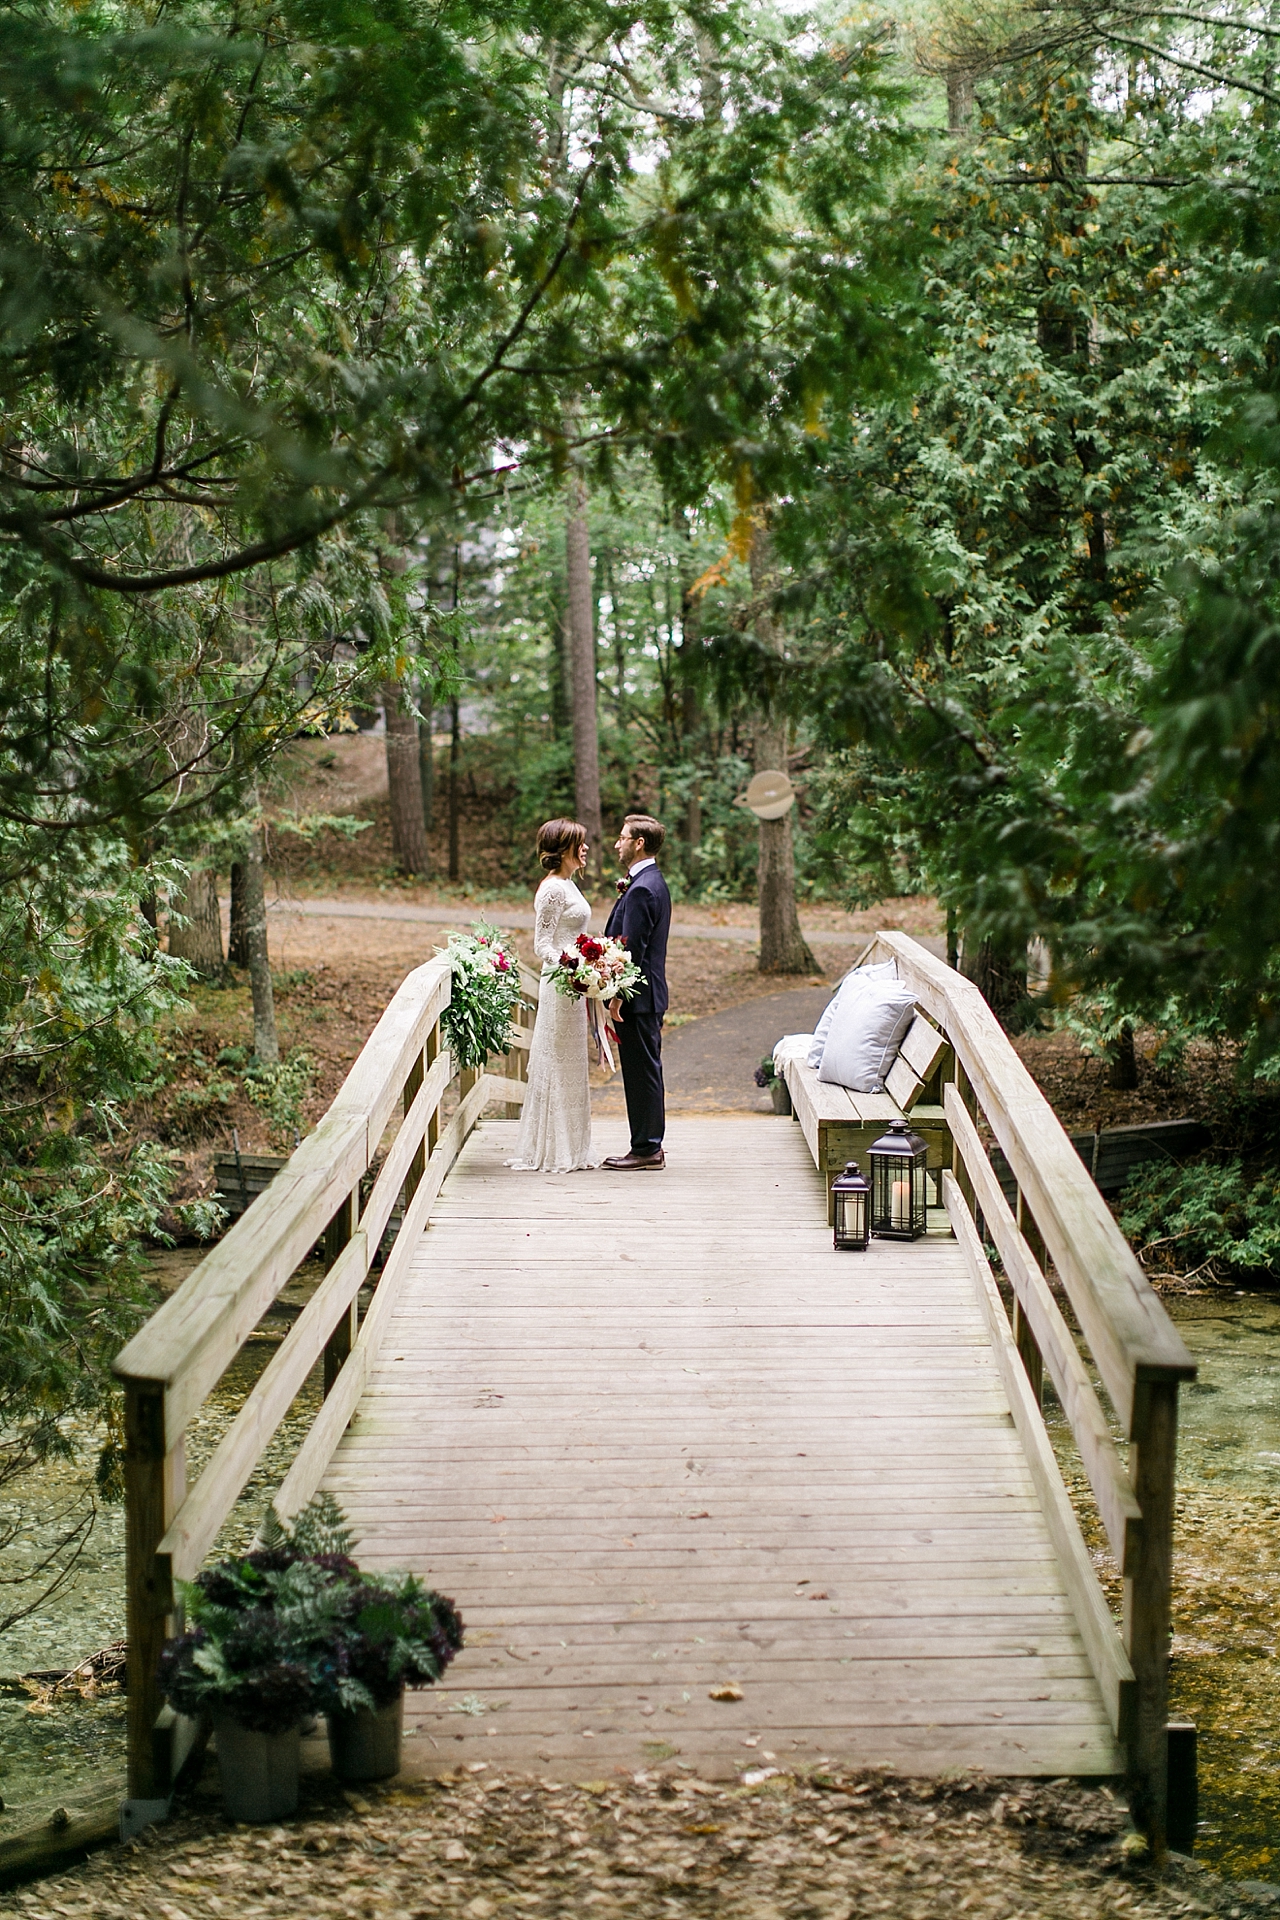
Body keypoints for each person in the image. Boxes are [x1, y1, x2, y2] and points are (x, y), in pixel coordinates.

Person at [507, 818, 598, 1173]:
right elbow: (541, 944)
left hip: (574, 985)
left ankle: (573, 1148)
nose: (586, 848)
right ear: (563, 849)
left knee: (572, 1063)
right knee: (557, 1062)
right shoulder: (553, 890)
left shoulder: (570, 884)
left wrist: (594, 961)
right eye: (580, 843)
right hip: (561, 984)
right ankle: (551, 1149)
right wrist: (573, 964)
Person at [602, 814, 671, 1170]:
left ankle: (646, 1149)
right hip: (644, 998)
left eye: (622, 837)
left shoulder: (643, 888)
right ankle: (648, 1145)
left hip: (638, 1001)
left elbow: (634, 952)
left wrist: (617, 997)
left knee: (642, 1073)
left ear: (638, 843)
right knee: (645, 1071)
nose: (617, 843)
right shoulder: (649, 881)